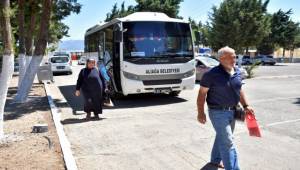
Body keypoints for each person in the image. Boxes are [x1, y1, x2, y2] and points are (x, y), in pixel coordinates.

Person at [197, 46, 254, 170]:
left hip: (233, 111)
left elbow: (239, 90)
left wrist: (246, 105)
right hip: (217, 112)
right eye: (231, 56)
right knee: (227, 141)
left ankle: (215, 160)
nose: (234, 58)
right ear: (222, 58)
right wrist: (201, 113)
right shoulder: (211, 74)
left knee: (222, 137)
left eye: (234, 56)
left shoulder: (237, 71)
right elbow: (201, 94)